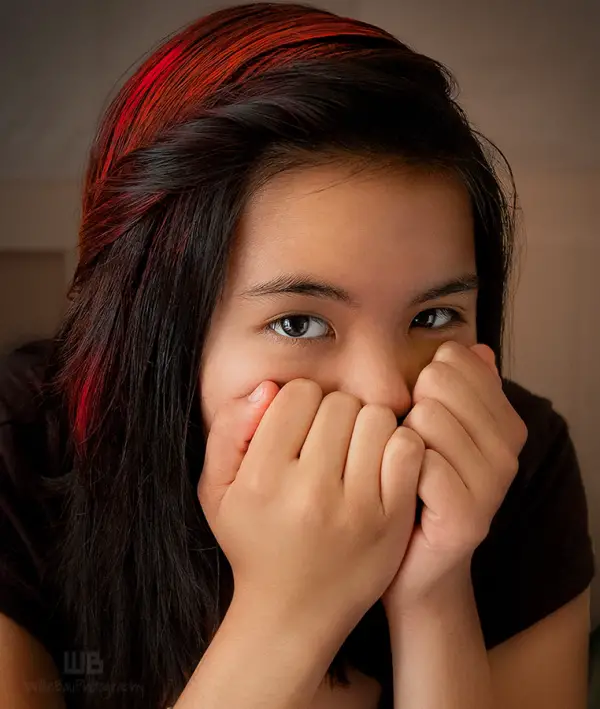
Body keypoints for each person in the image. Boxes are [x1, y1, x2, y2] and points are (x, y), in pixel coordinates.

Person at [0, 3, 594, 709]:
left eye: (434, 316)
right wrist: (288, 614)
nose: (384, 395)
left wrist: (436, 593)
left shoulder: (516, 464)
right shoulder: (19, 454)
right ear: (155, 326)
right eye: (299, 322)